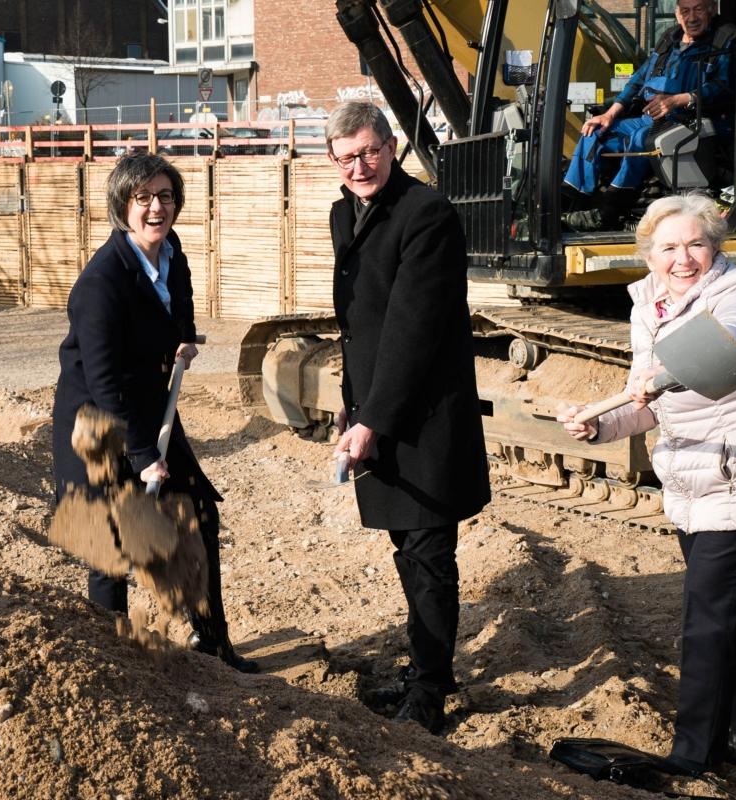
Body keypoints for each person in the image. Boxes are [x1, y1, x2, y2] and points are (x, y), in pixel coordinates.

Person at [558, 194, 736, 774]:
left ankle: (691, 755)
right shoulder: (646, 305)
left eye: (695, 244)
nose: (683, 258)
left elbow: (735, 343)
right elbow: (646, 405)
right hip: (696, 478)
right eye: (668, 247)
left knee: (706, 615)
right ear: (648, 255)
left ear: (715, 247)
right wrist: (599, 423)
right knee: (726, 610)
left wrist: (662, 375)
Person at [51, 152, 256, 674]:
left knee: (197, 515)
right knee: (111, 546)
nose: (155, 208)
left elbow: (178, 295)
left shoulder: (171, 252)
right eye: (142, 198)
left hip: (148, 402)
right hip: (95, 422)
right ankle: (114, 667)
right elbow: (102, 379)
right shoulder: (101, 283)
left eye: (164, 196)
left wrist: (183, 337)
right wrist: (143, 454)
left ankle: (215, 647)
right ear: (123, 206)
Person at [326, 102, 491, 734]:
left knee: (427, 551)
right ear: (333, 161)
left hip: (421, 416)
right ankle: (429, 669)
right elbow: (359, 323)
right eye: (347, 157)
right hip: (379, 407)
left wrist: (373, 422)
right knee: (407, 545)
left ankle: (428, 692)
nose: (360, 166)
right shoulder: (347, 211)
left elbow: (413, 330)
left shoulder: (427, 214)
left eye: (370, 151)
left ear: (391, 146)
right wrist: (352, 403)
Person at [562, 0, 735, 231]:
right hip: (648, 117)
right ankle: (570, 205)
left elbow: (723, 87)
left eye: (698, 9)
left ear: (711, 10)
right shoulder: (669, 41)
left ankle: (611, 209)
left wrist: (677, 100)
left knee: (641, 137)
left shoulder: (722, 43)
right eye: (685, 11)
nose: (691, 17)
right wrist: (609, 114)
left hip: (687, 119)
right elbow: (637, 81)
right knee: (594, 132)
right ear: (677, 14)